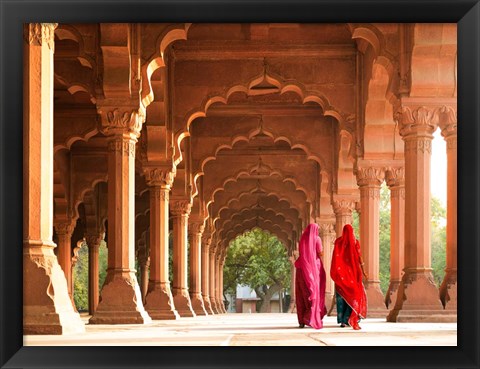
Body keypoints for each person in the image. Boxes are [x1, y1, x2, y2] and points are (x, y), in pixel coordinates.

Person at [330, 224, 368, 330]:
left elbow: (335, 257)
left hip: (341, 274)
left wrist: (336, 271)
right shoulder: (355, 242)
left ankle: (343, 321)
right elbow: (360, 257)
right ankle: (349, 318)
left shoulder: (338, 242)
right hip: (353, 273)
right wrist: (364, 271)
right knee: (354, 295)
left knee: (341, 297)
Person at [294, 223, 327, 329]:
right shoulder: (317, 239)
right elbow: (320, 253)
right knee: (314, 294)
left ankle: (301, 321)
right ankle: (310, 317)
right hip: (314, 269)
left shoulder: (303, 239)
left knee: (302, 294)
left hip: (301, 268)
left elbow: (303, 253)